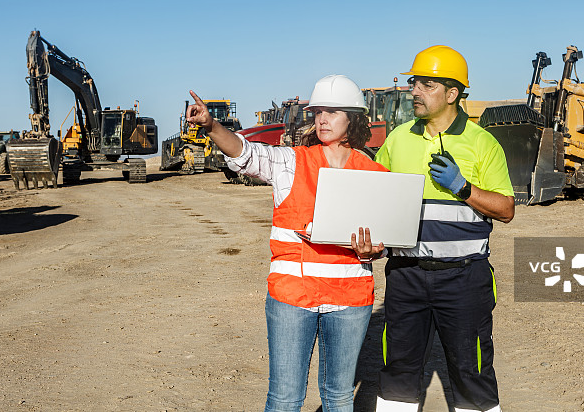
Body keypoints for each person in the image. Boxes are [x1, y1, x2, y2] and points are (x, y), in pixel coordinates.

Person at [185, 75, 386, 412]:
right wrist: (212, 125)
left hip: (350, 297)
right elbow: (246, 153)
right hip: (293, 296)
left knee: (338, 396)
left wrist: (375, 249)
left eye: (332, 112)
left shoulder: (374, 173)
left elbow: (384, 238)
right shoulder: (292, 162)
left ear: (353, 119)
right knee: (285, 399)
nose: (322, 119)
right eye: (318, 111)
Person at [373, 45, 515, 412]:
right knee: (397, 372)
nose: (414, 91)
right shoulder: (398, 139)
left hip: (464, 280)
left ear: (452, 94)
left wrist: (463, 188)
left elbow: (506, 209)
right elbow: (373, 197)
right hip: (406, 276)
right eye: (413, 82)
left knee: (472, 372)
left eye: (426, 84)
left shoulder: (482, 143)